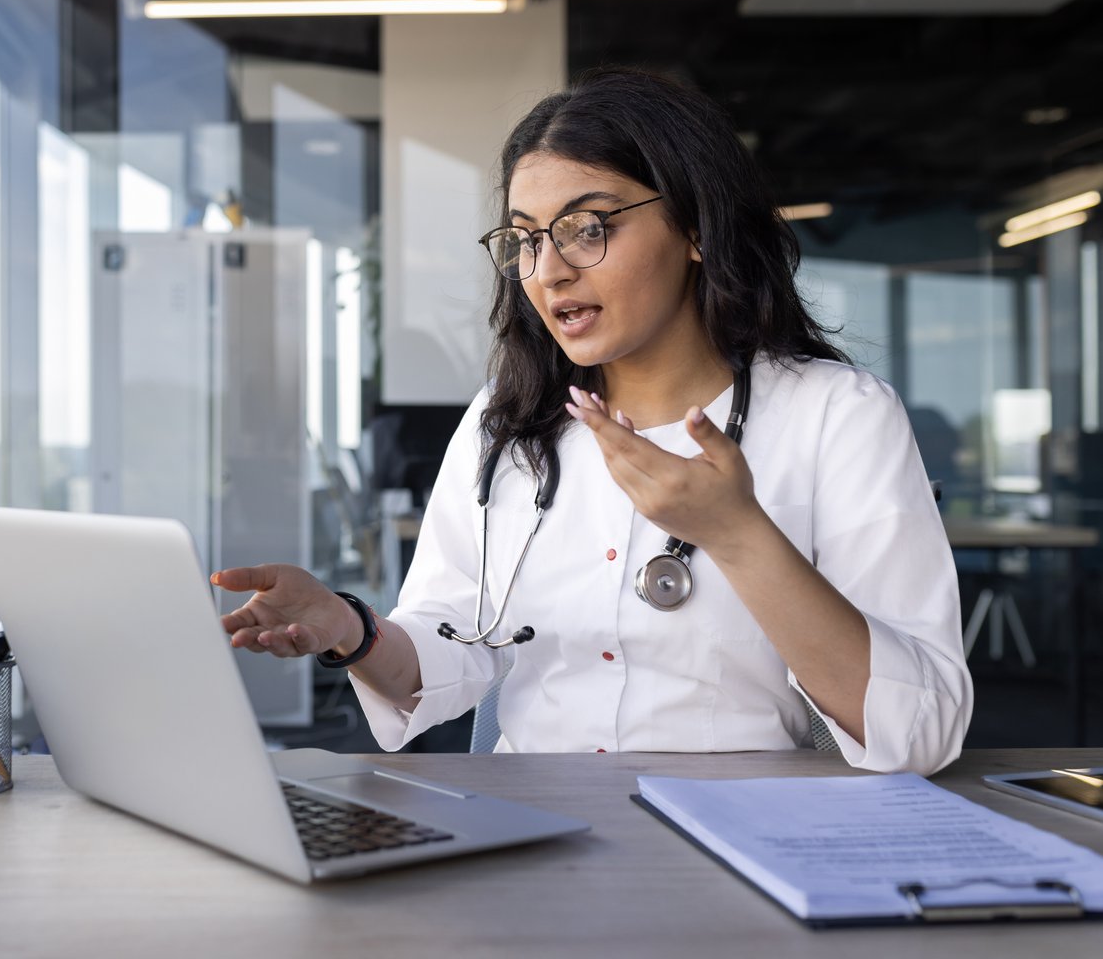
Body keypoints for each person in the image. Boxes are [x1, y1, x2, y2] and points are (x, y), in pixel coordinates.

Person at [213, 68, 971, 774]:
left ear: (696, 228)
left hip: (751, 838)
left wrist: (737, 535)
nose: (548, 271)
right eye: (526, 239)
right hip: (533, 835)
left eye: (587, 227)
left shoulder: (834, 415)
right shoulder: (505, 423)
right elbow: (447, 654)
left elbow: (921, 731)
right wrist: (349, 629)